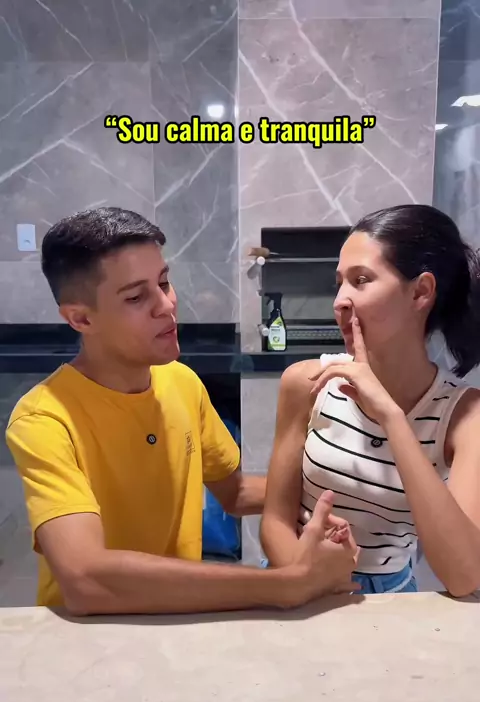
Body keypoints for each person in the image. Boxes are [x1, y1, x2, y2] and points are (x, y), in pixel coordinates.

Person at [5, 206, 359, 615]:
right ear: (81, 318)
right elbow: (87, 579)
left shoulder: (181, 382)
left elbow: (235, 492)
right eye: (136, 297)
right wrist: (286, 585)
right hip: (91, 636)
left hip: (179, 619)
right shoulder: (45, 420)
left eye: (164, 282)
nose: (167, 305)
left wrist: (343, 492)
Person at [260, 204, 480, 597]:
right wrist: (304, 579)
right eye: (339, 283)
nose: (340, 301)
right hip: (298, 583)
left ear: (421, 292)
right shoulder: (307, 383)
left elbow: (464, 576)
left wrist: (391, 416)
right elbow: (275, 522)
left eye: (361, 280)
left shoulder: (465, 414)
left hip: (392, 597)